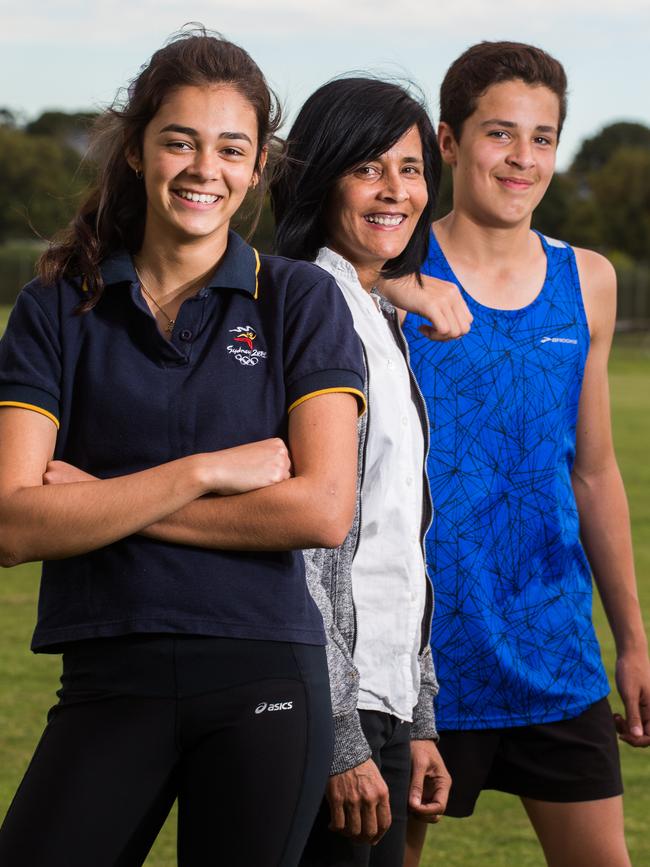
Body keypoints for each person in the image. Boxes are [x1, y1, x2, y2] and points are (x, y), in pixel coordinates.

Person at [0, 28, 367, 867]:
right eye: (180, 141)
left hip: (265, 677)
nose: (206, 169)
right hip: (107, 675)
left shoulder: (300, 299)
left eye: (231, 148)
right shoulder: (56, 306)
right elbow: (14, 524)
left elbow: (320, 506)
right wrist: (206, 471)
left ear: (258, 166)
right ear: (136, 150)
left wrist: (101, 501)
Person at [401, 41, 650, 867]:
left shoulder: (589, 280)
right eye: (500, 133)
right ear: (447, 142)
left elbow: (594, 470)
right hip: (417, 661)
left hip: (553, 650)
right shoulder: (392, 275)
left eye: (542, 138)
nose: (523, 158)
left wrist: (634, 640)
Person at [270, 77, 452, 867]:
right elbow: (309, 541)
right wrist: (343, 733)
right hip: (321, 709)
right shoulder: (308, 303)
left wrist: (418, 719)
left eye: (411, 170)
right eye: (368, 168)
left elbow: (394, 540)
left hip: (381, 704)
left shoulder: (376, 315)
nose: (395, 191)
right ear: (320, 176)